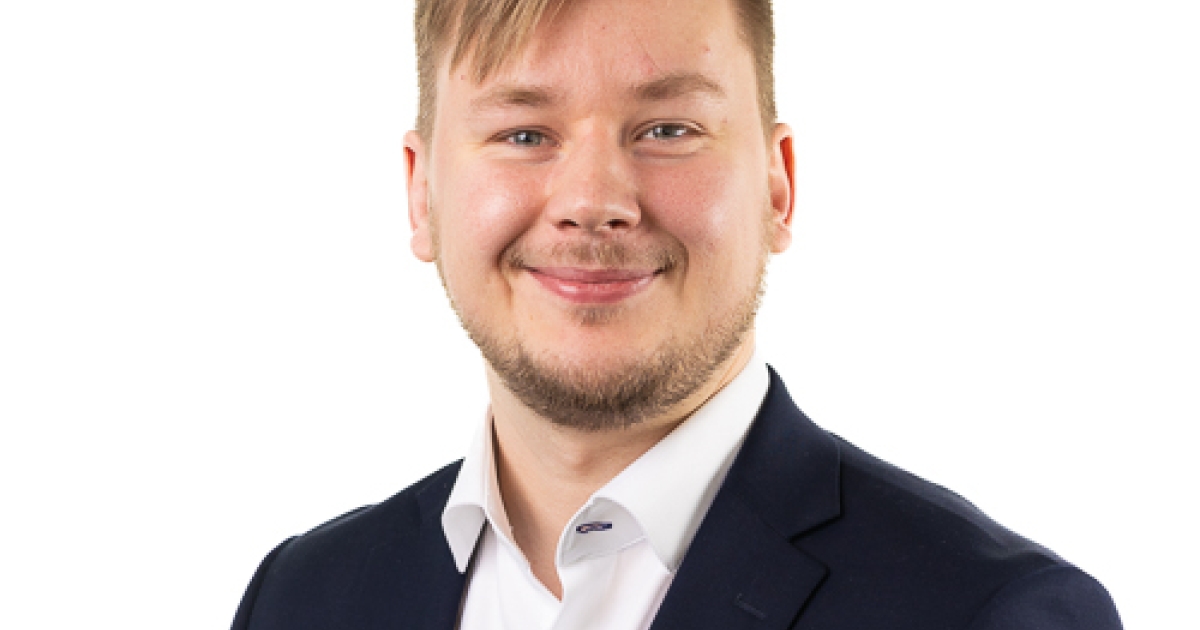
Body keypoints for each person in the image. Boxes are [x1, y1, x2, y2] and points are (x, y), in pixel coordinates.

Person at [231, 0, 1123, 627]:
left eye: (668, 130)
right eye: (524, 134)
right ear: (421, 193)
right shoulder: (300, 599)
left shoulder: (990, 613)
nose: (592, 201)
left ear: (778, 187)